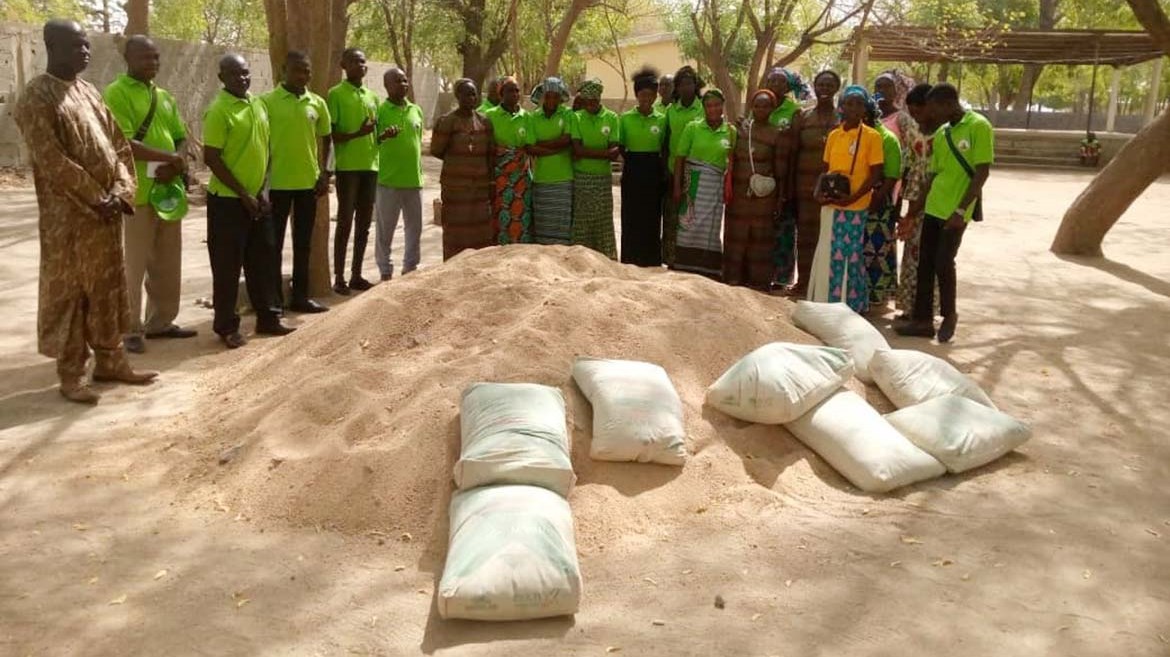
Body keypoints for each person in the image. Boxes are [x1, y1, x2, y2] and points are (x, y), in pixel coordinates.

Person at [14, 20, 158, 403]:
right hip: (71, 220)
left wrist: (121, 190)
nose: (85, 52)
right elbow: (52, 161)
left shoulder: (89, 91)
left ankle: (111, 361)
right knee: (72, 294)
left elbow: (120, 147)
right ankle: (72, 373)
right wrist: (98, 196)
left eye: (87, 46)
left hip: (106, 215)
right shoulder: (36, 97)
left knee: (108, 289)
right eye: (77, 46)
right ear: (52, 47)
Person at [103, 35, 197, 354]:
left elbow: (181, 136)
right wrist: (169, 158)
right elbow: (124, 144)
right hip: (137, 195)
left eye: (156, 57)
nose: (152, 63)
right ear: (128, 58)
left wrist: (179, 158)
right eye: (145, 58)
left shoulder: (165, 97)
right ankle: (129, 328)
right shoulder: (116, 93)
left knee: (168, 263)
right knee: (134, 265)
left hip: (167, 192)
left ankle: (160, 322)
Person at [202, 53, 294, 349]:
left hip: (258, 199)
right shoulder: (219, 111)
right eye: (234, 74)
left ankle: (269, 317)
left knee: (264, 260)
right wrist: (243, 194)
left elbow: (265, 149)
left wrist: (262, 191)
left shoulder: (258, 104)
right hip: (228, 202)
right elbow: (212, 158)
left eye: (245, 73)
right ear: (222, 78)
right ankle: (227, 326)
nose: (242, 78)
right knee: (228, 266)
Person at [896, 83, 993, 343]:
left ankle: (950, 315)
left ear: (948, 103)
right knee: (925, 264)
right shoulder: (943, 133)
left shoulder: (978, 126)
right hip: (934, 207)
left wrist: (961, 210)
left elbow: (982, 171)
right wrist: (914, 210)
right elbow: (932, 175)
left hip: (956, 209)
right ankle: (922, 320)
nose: (931, 114)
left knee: (943, 261)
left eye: (934, 108)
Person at [261, 50, 331, 314]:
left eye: (307, 70)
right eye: (298, 70)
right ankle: (274, 300)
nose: (303, 75)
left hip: (307, 185)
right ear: (284, 71)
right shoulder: (266, 102)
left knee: (303, 244)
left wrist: (326, 173)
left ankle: (300, 297)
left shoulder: (317, 103)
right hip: (276, 185)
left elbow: (327, 139)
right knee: (273, 245)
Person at [807, 85, 884, 313]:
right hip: (831, 204)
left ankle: (850, 305)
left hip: (855, 206)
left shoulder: (872, 137)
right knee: (827, 252)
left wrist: (854, 198)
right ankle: (824, 302)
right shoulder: (834, 135)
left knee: (849, 254)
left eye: (858, 103)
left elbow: (876, 173)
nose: (853, 107)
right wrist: (817, 192)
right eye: (849, 103)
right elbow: (825, 168)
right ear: (841, 107)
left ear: (865, 108)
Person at [327, 47, 380, 295]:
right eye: (355, 61)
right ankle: (339, 277)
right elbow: (332, 135)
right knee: (345, 223)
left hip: (370, 167)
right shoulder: (336, 94)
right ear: (343, 65)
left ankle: (356, 274)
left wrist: (383, 137)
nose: (361, 65)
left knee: (364, 225)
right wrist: (357, 134)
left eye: (363, 61)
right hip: (348, 168)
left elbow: (374, 134)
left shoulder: (372, 97)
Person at [787, 70, 841, 296]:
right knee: (806, 238)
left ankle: (825, 286)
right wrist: (789, 188)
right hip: (804, 187)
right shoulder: (803, 116)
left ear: (837, 88)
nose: (825, 89)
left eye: (830, 85)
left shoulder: (843, 117)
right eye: (821, 85)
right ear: (815, 87)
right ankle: (804, 283)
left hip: (834, 190)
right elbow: (792, 153)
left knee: (829, 237)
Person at [672, 88, 736, 279]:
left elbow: (731, 161)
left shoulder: (731, 131)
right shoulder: (692, 128)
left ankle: (707, 269)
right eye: (709, 105)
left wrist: (728, 185)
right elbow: (679, 159)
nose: (713, 109)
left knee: (711, 228)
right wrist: (677, 187)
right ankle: (684, 266)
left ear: (722, 106)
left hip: (714, 188)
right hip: (693, 185)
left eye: (717, 105)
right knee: (688, 224)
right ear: (704, 108)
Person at [724, 89, 784, 289]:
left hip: (763, 198)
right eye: (757, 105)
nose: (760, 109)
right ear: (751, 106)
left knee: (760, 239)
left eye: (765, 105)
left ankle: (758, 282)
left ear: (772, 108)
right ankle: (733, 277)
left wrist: (779, 199)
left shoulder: (776, 134)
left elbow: (780, 169)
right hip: (739, 196)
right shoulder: (741, 130)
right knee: (736, 236)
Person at [431, 79, 494, 260]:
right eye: (467, 94)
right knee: (454, 232)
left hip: (480, 190)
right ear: (458, 96)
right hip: (456, 190)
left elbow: (489, 154)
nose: (471, 98)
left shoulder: (485, 122)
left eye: (474, 93)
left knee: (480, 235)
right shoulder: (447, 121)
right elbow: (436, 150)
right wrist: (461, 162)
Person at [373, 67, 425, 280]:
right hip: (388, 182)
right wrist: (383, 136)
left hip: (414, 180)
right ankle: (385, 271)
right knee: (385, 231)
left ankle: (410, 268)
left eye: (405, 81)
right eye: (398, 81)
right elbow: (371, 143)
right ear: (386, 86)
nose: (403, 85)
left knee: (415, 230)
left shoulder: (416, 110)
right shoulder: (380, 111)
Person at [762, 68, 808, 288]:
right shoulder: (762, 104)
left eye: (780, 82)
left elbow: (797, 146)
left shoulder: (794, 111)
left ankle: (783, 277)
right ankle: (763, 272)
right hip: (763, 174)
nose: (774, 85)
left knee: (785, 229)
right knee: (766, 228)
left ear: (788, 86)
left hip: (786, 173)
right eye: (771, 80)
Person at [895, 83, 937, 318]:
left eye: (918, 113)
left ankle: (924, 311)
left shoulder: (942, 135)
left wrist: (912, 211)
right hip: (914, 201)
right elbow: (909, 169)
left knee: (926, 258)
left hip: (932, 202)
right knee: (911, 255)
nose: (916, 119)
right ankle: (911, 308)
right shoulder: (917, 133)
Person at [618, 67, 667, 266]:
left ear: (656, 96)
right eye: (642, 94)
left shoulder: (663, 119)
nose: (646, 98)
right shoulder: (626, 119)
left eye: (650, 94)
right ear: (637, 95)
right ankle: (630, 257)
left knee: (652, 216)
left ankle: (651, 258)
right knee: (631, 215)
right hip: (633, 169)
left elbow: (664, 146)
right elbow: (621, 145)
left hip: (654, 171)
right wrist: (632, 162)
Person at [570, 78, 621, 259]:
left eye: (594, 101)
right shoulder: (576, 117)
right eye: (587, 102)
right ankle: (581, 260)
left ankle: (607, 258)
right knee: (582, 221)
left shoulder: (612, 118)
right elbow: (576, 149)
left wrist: (585, 152)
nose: (591, 105)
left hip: (602, 178)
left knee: (603, 221)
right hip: (582, 178)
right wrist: (604, 153)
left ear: (599, 100)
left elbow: (615, 152)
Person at [663, 66, 706, 267]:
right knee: (672, 216)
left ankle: (689, 259)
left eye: (689, 83)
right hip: (673, 169)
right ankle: (670, 258)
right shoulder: (670, 111)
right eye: (681, 84)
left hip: (697, 171)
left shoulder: (704, 108)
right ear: (676, 88)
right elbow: (666, 140)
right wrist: (665, 169)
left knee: (692, 216)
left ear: (695, 86)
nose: (685, 87)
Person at [484, 76, 534, 244]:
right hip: (500, 178)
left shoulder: (526, 117)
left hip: (521, 177)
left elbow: (529, 147)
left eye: (517, 90)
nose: (515, 94)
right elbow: (488, 148)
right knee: (500, 215)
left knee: (523, 216)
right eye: (510, 90)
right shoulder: (490, 116)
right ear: (501, 94)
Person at [527, 77, 575, 245]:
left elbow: (567, 140)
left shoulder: (568, 114)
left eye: (556, 96)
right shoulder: (533, 117)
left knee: (561, 222)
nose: (552, 100)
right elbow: (530, 147)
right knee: (543, 223)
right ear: (543, 96)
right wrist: (557, 147)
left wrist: (543, 147)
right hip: (541, 178)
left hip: (563, 177)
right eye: (549, 96)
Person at [865, 102, 903, 309]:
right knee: (863, 249)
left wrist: (876, 199)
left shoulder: (887, 138)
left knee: (878, 249)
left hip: (879, 198)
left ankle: (876, 295)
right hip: (859, 197)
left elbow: (892, 175)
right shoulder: (859, 135)